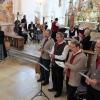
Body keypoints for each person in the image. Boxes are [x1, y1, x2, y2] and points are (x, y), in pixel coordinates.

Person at [48, 32, 69, 97]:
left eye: (58, 37)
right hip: (54, 63)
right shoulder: (55, 43)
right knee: (53, 77)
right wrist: (51, 55)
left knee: (59, 79)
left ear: (62, 37)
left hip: (60, 65)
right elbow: (52, 51)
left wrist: (54, 56)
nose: (57, 38)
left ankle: (59, 92)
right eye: (56, 37)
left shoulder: (66, 46)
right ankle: (54, 87)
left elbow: (64, 56)